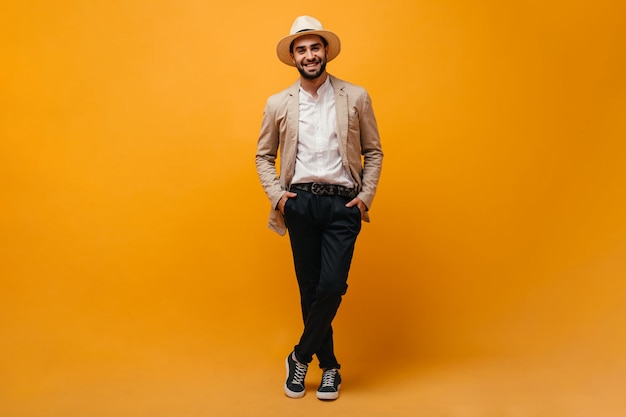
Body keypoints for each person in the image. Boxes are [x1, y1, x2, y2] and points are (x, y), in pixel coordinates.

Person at [255, 15, 383, 401]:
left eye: (315, 47)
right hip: (300, 203)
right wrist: (277, 195)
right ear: (293, 57)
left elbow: (373, 151)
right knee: (310, 290)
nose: (309, 55)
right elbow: (263, 155)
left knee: (331, 286)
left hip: (343, 204)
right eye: (301, 49)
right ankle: (329, 368)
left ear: (325, 51)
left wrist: (365, 196)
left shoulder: (355, 96)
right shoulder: (279, 103)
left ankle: (298, 356)